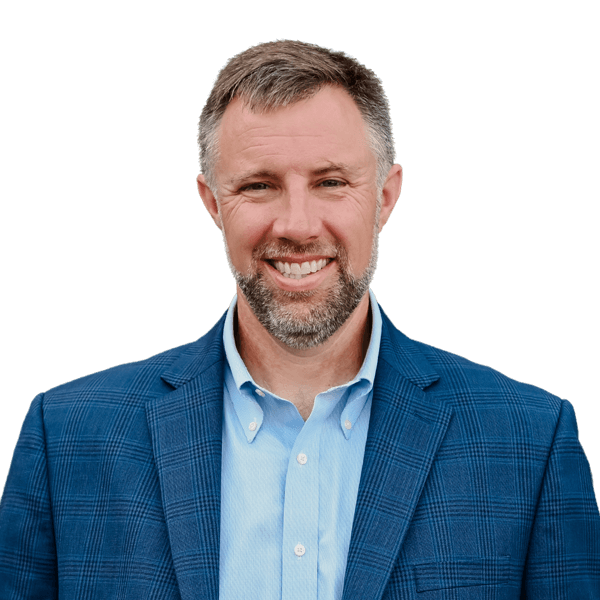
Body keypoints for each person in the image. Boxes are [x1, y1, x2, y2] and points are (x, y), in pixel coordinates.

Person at [1, 40, 598, 600]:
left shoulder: (529, 439)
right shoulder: (68, 436)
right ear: (212, 203)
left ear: (385, 196)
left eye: (331, 182)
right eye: (259, 185)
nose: (297, 225)